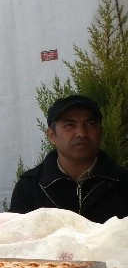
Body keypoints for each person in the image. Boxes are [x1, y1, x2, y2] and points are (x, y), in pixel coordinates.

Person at [10, 94, 128, 222]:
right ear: (51, 135)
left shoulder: (123, 182)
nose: (81, 133)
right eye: (70, 125)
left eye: (90, 124)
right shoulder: (30, 186)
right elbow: (17, 238)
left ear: (100, 132)